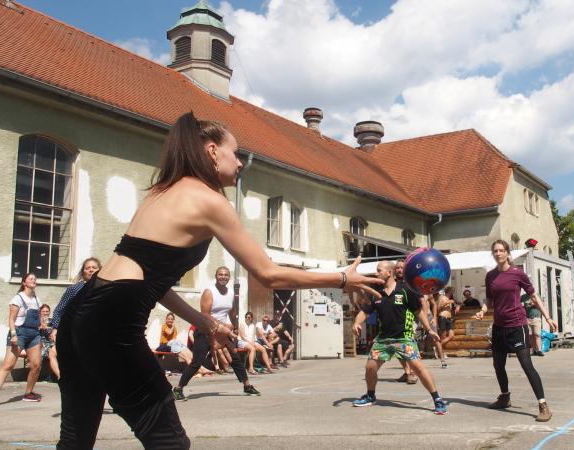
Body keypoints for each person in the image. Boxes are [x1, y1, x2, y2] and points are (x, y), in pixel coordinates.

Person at [54, 112, 382, 449]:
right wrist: (342, 277)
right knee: (169, 442)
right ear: (212, 151)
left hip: (82, 310)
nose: (239, 163)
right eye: (235, 152)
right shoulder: (211, 202)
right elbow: (267, 273)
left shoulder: (160, 192)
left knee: (76, 439)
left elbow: (153, 283)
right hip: (112, 322)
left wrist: (206, 323)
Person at [475, 240, 557, 422]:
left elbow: (534, 297)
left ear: (507, 253)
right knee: (498, 365)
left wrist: (548, 318)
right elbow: (489, 301)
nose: (498, 254)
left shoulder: (517, 274)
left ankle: (543, 405)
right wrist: (482, 311)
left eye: (501, 250)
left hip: (517, 325)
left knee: (526, 365)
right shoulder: (490, 276)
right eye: (495, 251)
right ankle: (505, 396)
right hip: (499, 326)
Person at [351, 261, 447, 414]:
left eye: (379, 270)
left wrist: (429, 329)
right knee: (370, 367)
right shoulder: (376, 292)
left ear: (389, 272)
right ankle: (370, 396)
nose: (377, 273)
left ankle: (437, 399)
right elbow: (365, 311)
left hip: (404, 337)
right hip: (383, 339)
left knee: (418, 368)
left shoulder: (405, 290)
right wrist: (357, 323)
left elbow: (418, 311)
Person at [174, 266, 258, 400]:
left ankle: (247, 385)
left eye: (226, 275)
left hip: (222, 332)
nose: (223, 277)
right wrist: (223, 326)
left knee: (235, 357)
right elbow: (205, 315)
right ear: (216, 276)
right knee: (197, 362)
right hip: (205, 331)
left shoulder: (230, 293)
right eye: (220, 274)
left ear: (229, 277)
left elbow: (231, 312)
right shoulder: (209, 292)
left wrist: (234, 326)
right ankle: (178, 389)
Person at [0, 273, 43, 408]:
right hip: (19, 333)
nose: (34, 280)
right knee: (8, 365)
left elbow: (38, 317)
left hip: (34, 334)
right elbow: (11, 319)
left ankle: (28, 393)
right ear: (24, 283)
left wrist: (42, 325)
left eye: (35, 279)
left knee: (36, 365)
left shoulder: (37, 299)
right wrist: (14, 334)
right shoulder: (18, 298)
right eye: (31, 279)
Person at [48, 258, 102, 380]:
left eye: (94, 267)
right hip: (74, 331)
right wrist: (55, 328)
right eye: (87, 268)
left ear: (100, 270)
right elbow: (59, 309)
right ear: (83, 272)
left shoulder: (104, 289)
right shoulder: (74, 289)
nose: (91, 270)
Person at [436, 290, 458, 368]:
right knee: (443, 337)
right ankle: (441, 352)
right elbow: (438, 308)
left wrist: (458, 306)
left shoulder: (451, 299)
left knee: (451, 335)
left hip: (449, 318)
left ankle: (438, 347)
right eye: (452, 292)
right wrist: (447, 302)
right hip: (442, 317)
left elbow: (460, 303)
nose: (453, 294)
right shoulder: (441, 297)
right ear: (448, 291)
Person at [39, 304, 58, 380]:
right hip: (41, 345)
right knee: (52, 353)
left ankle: (53, 375)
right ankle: (58, 376)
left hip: (51, 343)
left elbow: (56, 331)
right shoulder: (36, 322)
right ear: (40, 312)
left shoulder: (52, 321)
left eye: (47, 311)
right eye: (43, 311)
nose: (45, 313)